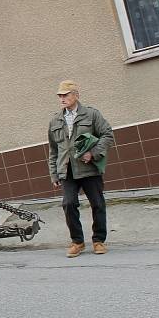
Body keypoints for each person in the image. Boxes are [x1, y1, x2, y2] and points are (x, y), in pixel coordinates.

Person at [48, 80, 115, 257]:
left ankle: (98, 240)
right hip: (67, 170)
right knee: (68, 204)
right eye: (60, 95)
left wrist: (93, 153)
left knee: (98, 204)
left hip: (89, 168)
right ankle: (77, 242)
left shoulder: (91, 114)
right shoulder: (55, 120)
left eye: (66, 95)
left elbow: (107, 135)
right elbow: (53, 150)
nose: (62, 98)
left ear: (76, 95)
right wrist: (54, 173)